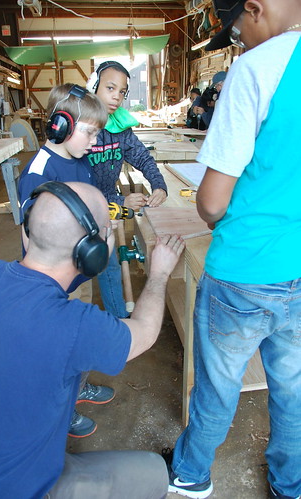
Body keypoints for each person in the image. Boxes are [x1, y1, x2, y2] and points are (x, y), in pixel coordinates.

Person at [0, 180, 185, 499]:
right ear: (92, 254)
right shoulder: (78, 327)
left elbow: (47, 286)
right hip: (19, 489)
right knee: (154, 472)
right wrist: (159, 274)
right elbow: (145, 330)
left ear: (26, 232)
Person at [163, 1, 301, 498]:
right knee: (294, 390)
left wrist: (218, 207)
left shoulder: (257, 68)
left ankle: (192, 475)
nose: (239, 41)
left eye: (238, 31)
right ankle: (291, 484)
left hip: (244, 272)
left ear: (254, 9)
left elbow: (212, 203)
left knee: (218, 387)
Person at [18, 83, 114, 440]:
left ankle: (78, 388)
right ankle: (62, 410)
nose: (94, 141)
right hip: (52, 284)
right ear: (61, 125)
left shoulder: (80, 160)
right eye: (90, 132)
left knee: (78, 339)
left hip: (79, 276)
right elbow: (32, 236)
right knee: (55, 349)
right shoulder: (39, 171)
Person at [86, 60, 168, 319]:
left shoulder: (120, 127)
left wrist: (159, 184)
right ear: (94, 86)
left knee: (108, 264)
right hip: (80, 208)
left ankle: (119, 321)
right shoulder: (81, 126)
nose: (116, 97)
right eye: (110, 88)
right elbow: (79, 186)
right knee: (74, 273)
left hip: (106, 208)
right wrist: (120, 202)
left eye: (122, 91)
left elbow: (142, 156)